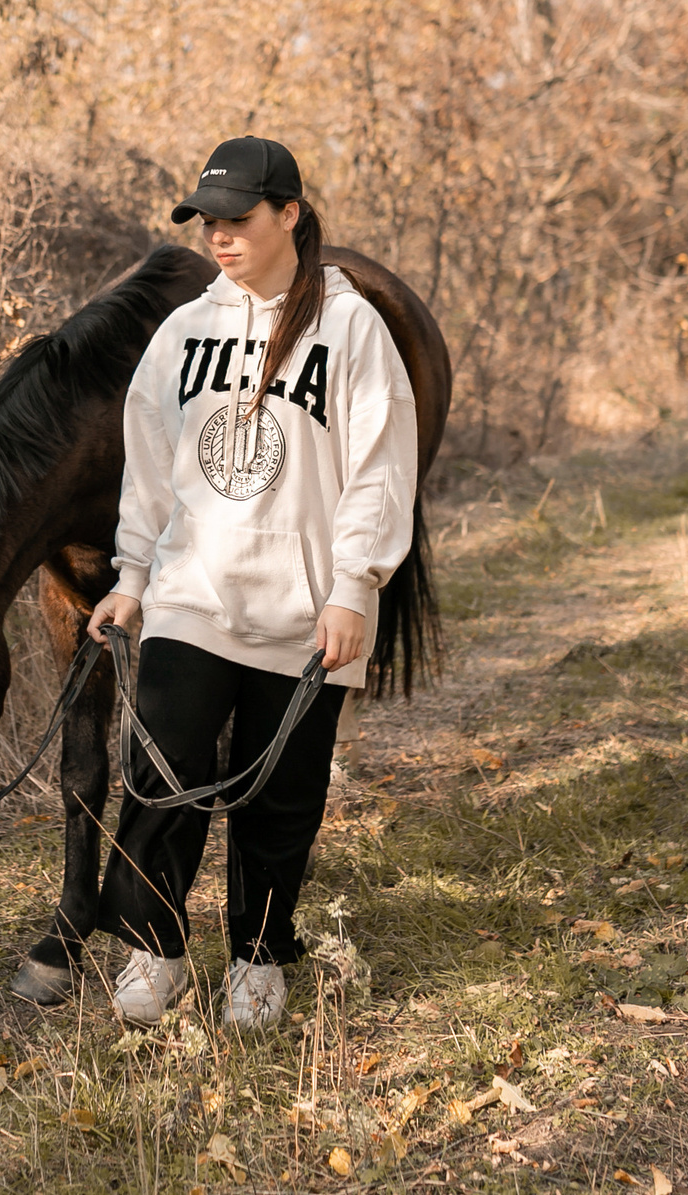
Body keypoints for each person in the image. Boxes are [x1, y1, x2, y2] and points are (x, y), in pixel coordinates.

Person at [87, 135, 420, 1028]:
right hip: (191, 595)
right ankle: (156, 953)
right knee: (158, 775)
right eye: (208, 222)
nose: (220, 237)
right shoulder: (183, 332)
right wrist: (129, 576)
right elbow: (148, 469)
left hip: (308, 608)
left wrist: (355, 586)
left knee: (282, 796)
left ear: (289, 216)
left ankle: (259, 958)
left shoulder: (352, 330)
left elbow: (381, 468)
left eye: (238, 219)